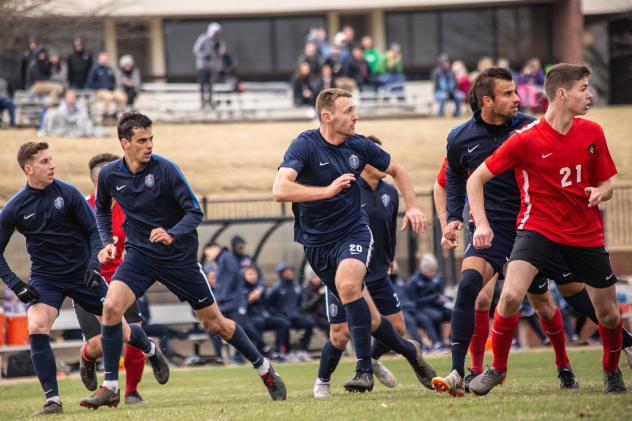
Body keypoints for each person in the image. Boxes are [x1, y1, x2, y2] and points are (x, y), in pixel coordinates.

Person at [80, 112, 286, 409]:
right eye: (142, 140)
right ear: (125, 143)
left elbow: (195, 212)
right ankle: (111, 387)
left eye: (151, 138)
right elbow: (101, 210)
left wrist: (172, 234)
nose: (149, 145)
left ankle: (265, 369)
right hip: (140, 255)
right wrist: (104, 244)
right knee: (111, 307)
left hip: (178, 259)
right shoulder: (111, 174)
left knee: (216, 324)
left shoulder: (166, 170)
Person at [466, 63, 626, 395]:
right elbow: (476, 179)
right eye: (584, 88)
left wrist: (602, 191)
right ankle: (497, 369)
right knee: (510, 296)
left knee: (608, 315)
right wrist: (481, 222)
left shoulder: (592, 132)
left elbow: (607, 182)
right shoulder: (525, 139)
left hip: (585, 233)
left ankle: (611, 370)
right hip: (536, 227)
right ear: (562, 94)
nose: (590, 95)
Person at [273, 88, 435, 393]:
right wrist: (327, 191)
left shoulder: (359, 146)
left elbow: (397, 169)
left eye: (354, 109)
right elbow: (280, 189)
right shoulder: (304, 146)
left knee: (349, 287)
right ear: (327, 116)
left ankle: (363, 370)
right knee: (371, 319)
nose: (355, 116)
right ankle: (411, 352)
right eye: (348, 111)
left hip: (353, 232)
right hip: (316, 243)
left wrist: (413, 206)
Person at [432, 67, 581, 397]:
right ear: (487, 101)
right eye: (508, 93)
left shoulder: (529, 128)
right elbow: (443, 182)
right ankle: (468, 370)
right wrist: (449, 221)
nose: (517, 98)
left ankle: (565, 365)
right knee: (478, 292)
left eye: (516, 92)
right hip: (490, 231)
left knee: (544, 301)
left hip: (533, 227)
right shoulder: (462, 140)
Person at [0, 142, 158, 415]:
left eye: (51, 160)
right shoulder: (15, 207)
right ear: (28, 168)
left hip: (82, 274)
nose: (52, 166)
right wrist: (16, 285)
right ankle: (53, 400)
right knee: (36, 327)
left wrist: (92, 265)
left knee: (121, 330)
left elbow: (94, 231)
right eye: (44, 162)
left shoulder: (68, 193)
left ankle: (150, 348)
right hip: (46, 278)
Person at [313, 135, 408, 397]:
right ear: (363, 162)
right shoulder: (350, 191)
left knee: (397, 327)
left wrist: (390, 257)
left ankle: (372, 359)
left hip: (378, 270)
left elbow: (390, 229)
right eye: (376, 157)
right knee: (340, 335)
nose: (382, 162)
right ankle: (323, 380)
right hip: (348, 270)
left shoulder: (390, 192)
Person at [72, 153, 147, 404]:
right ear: (98, 181)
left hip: (121, 281)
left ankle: (131, 392)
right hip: (89, 284)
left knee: (134, 335)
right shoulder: (81, 207)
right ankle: (86, 356)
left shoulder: (128, 208)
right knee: (99, 344)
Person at [267, 263, 314, 361]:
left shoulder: (297, 287)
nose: (289, 273)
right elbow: (269, 306)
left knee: (309, 324)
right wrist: (278, 315)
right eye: (286, 271)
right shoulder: (276, 288)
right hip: (283, 317)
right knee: (285, 325)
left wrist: (299, 312)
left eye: (291, 270)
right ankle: (287, 352)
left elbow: (301, 303)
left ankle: (302, 351)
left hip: (295, 317)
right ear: (281, 273)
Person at [243, 264, 290, 359]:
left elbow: (267, 305)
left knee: (283, 323)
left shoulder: (260, 287)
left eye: (254, 274)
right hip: (249, 319)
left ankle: (277, 352)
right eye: (249, 274)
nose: (253, 276)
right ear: (244, 276)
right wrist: (249, 300)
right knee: (258, 322)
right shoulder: (241, 288)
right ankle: (259, 353)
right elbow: (240, 307)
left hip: (263, 317)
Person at [407, 254, 451, 350]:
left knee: (454, 314)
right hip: (422, 308)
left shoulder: (437, 278)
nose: (433, 274)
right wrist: (433, 298)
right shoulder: (414, 281)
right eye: (430, 272)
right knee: (435, 316)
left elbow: (440, 293)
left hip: (437, 306)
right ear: (424, 270)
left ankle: (452, 340)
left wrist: (445, 298)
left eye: (434, 271)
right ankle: (437, 343)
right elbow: (414, 301)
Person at [87, 52, 127, 122]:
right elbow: (90, 82)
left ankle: (117, 114)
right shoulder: (95, 69)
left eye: (106, 59)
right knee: (109, 97)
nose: (104, 61)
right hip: (99, 91)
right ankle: (104, 115)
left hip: (111, 90)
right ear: (99, 59)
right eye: (103, 59)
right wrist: (101, 86)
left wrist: (112, 87)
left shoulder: (109, 69)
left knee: (122, 97)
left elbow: (114, 80)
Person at [193, 22, 225, 109]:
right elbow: (196, 50)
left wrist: (220, 66)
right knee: (202, 86)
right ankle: (202, 102)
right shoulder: (203, 39)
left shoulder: (219, 41)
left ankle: (210, 102)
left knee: (211, 85)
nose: (217, 34)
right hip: (202, 67)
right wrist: (204, 55)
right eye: (215, 32)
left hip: (212, 67)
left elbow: (220, 55)